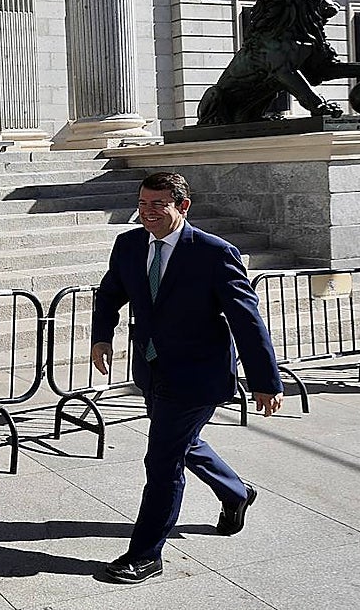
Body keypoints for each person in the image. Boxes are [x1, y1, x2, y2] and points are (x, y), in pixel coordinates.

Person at [90, 172, 284, 585]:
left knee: (162, 459)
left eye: (158, 205)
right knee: (183, 442)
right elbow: (110, 293)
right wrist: (101, 337)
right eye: (142, 205)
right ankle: (235, 491)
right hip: (152, 367)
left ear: (183, 206)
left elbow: (245, 319)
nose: (147, 214)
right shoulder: (128, 244)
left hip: (198, 373)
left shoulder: (214, 253)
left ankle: (145, 554)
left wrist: (265, 381)